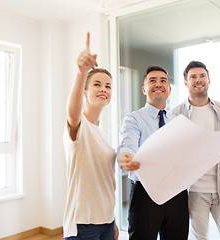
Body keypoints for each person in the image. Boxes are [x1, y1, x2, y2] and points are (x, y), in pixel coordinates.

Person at [171, 61, 220, 240]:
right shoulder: (176, 114)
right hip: (195, 192)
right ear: (186, 83)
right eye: (193, 77)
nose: (198, 80)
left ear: (209, 80)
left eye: (202, 76)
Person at [118, 66, 189, 240]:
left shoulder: (178, 121)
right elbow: (128, 143)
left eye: (163, 81)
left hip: (176, 192)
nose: (158, 84)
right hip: (145, 193)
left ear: (169, 89)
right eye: (152, 81)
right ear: (144, 89)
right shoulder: (133, 118)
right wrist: (127, 156)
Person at [62, 32, 119, 240]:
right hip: (83, 223)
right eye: (97, 84)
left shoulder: (102, 132)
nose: (103, 89)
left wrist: (112, 219)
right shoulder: (80, 125)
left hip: (106, 221)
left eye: (108, 86)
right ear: (84, 92)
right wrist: (81, 73)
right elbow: (72, 113)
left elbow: (105, 182)